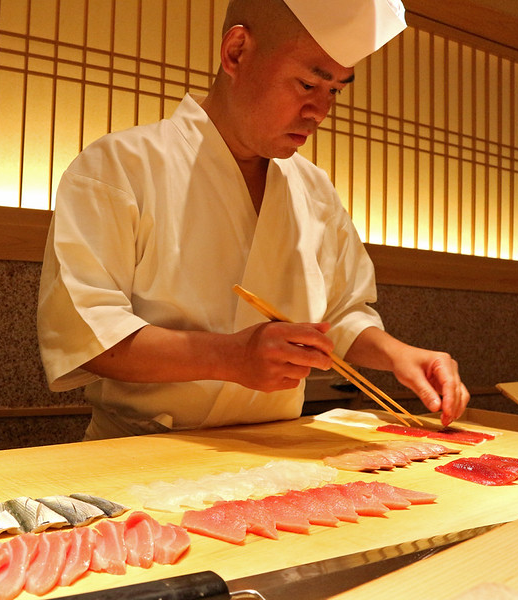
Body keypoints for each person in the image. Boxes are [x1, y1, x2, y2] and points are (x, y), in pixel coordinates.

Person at [37, 0, 470, 440]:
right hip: (142, 448)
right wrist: (233, 357)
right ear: (237, 51)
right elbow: (89, 333)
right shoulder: (118, 166)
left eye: (335, 91)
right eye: (307, 84)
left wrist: (399, 355)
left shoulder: (314, 188)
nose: (319, 111)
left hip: (280, 448)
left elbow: (339, 316)